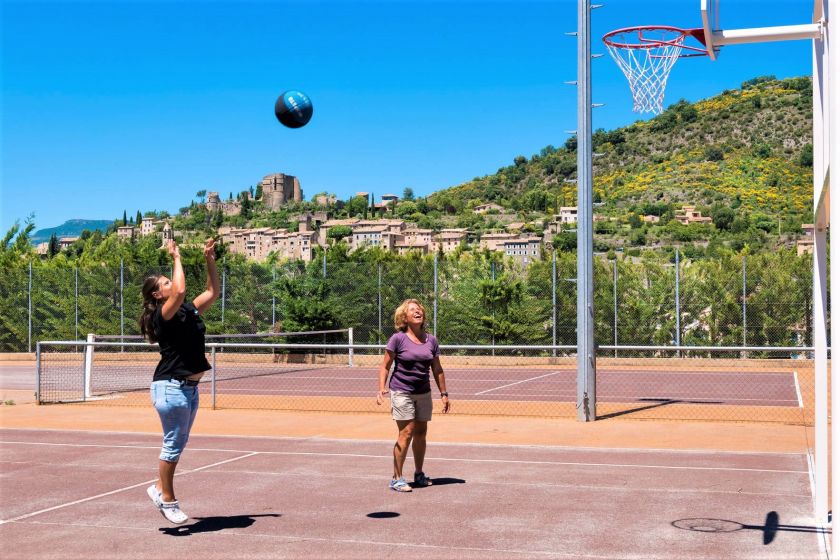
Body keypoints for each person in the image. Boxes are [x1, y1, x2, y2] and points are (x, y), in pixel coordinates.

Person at [139, 237, 219, 524]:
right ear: (157, 295)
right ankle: (168, 500)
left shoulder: (188, 310)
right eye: (165, 283)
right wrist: (176, 256)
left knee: (179, 443)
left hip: (189, 390)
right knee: (172, 445)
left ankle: (157, 488)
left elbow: (212, 291)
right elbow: (181, 290)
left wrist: (209, 259)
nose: (171, 283)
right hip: (170, 387)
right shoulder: (163, 315)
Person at [376, 298, 450, 492]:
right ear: (404, 317)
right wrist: (381, 388)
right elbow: (385, 366)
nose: (418, 312)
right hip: (402, 391)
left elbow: (437, 369)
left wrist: (444, 393)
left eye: (419, 309)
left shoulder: (431, 340)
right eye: (412, 310)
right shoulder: (397, 339)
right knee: (407, 432)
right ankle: (396, 478)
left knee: (421, 433)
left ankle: (419, 473)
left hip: (423, 393)